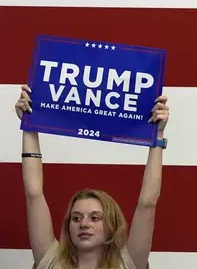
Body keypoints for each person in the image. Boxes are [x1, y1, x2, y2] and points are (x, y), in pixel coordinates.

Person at [14, 84, 170, 269]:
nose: (84, 224)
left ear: (112, 224)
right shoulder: (52, 262)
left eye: (95, 218)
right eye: (76, 218)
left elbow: (147, 203)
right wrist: (30, 123)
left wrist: (157, 134)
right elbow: (34, 193)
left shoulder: (127, 263)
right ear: (68, 226)